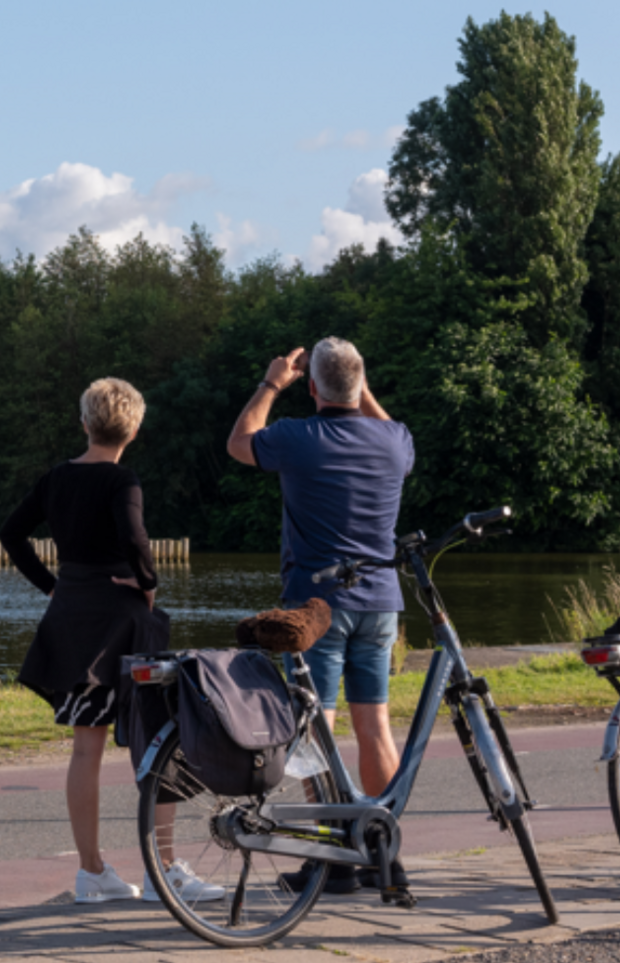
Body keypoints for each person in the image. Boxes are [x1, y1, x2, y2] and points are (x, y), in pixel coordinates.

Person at [2, 378, 219, 908]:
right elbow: (134, 536)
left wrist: (53, 585)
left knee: (86, 747)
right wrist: (147, 584)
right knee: (159, 739)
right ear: (136, 429)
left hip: (73, 621)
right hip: (122, 623)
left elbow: (11, 533)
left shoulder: (56, 479)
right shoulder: (122, 479)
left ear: (83, 423)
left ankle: (91, 871)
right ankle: (165, 870)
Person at [225, 336, 412, 895]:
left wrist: (271, 383)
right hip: (380, 602)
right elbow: (383, 424)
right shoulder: (394, 442)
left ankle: (332, 857)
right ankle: (381, 845)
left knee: (316, 727)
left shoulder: (299, 437)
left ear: (311, 389)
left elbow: (239, 442)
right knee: (373, 723)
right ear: (360, 386)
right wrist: (359, 385)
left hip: (318, 606)